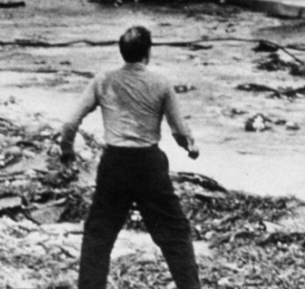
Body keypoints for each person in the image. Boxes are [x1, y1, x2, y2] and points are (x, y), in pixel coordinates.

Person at [59, 25, 202, 289]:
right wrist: (189, 146)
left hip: (115, 163)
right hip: (149, 165)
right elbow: (179, 130)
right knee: (175, 233)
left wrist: (67, 150)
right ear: (148, 52)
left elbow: (69, 123)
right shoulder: (161, 83)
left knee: (98, 235)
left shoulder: (103, 80)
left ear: (121, 52)